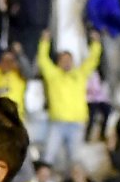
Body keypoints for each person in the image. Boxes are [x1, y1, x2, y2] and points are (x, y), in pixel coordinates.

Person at [37, 29, 102, 170]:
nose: (66, 63)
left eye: (69, 60)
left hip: (77, 124)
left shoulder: (80, 74)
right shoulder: (53, 75)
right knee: (48, 156)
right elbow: (42, 59)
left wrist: (96, 43)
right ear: (59, 62)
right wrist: (45, 41)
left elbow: (92, 60)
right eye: (63, 60)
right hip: (57, 123)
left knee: (75, 161)